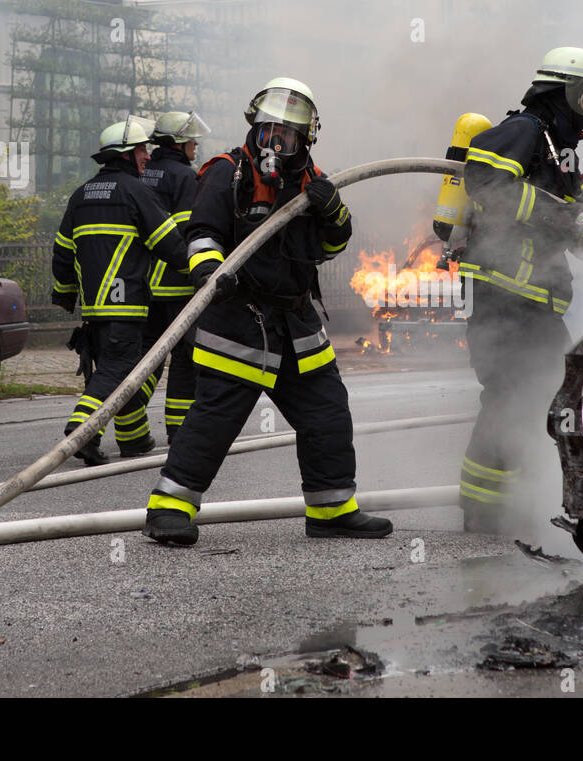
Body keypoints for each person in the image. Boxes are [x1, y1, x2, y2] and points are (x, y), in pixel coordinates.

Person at [142, 78, 392, 545]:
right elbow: (201, 233)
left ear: (305, 140)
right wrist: (211, 272)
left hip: (296, 324)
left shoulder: (314, 183)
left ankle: (331, 509)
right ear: (254, 129)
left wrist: (333, 211)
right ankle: (168, 508)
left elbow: (332, 246)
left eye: (287, 136)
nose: (276, 143)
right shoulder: (227, 172)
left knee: (328, 412)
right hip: (240, 318)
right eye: (268, 131)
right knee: (216, 418)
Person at [456, 47, 583, 533]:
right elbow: (484, 180)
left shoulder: (558, 153)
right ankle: (481, 514)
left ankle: (522, 499)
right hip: (502, 297)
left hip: (537, 301)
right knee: (509, 396)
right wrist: (567, 215)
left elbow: (576, 230)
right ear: (560, 93)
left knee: (550, 397)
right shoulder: (524, 130)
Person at [51, 116, 197, 465]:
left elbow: (62, 252)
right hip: (127, 306)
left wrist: (65, 293)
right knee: (116, 372)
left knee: (121, 371)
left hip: (94, 311)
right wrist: (201, 271)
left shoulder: (80, 195)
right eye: (142, 150)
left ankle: (129, 438)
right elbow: (169, 244)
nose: (147, 156)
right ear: (125, 155)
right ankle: (83, 429)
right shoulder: (135, 192)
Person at [139, 111, 211, 443]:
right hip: (176, 284)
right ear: (179, 143)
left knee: (149, 358)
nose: (196, 144)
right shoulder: (185, 177)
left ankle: (129, 410)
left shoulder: (143, 171)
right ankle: (179, 431)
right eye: (192, 139)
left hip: (142, 286)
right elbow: (187, 233)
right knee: (184, 358)